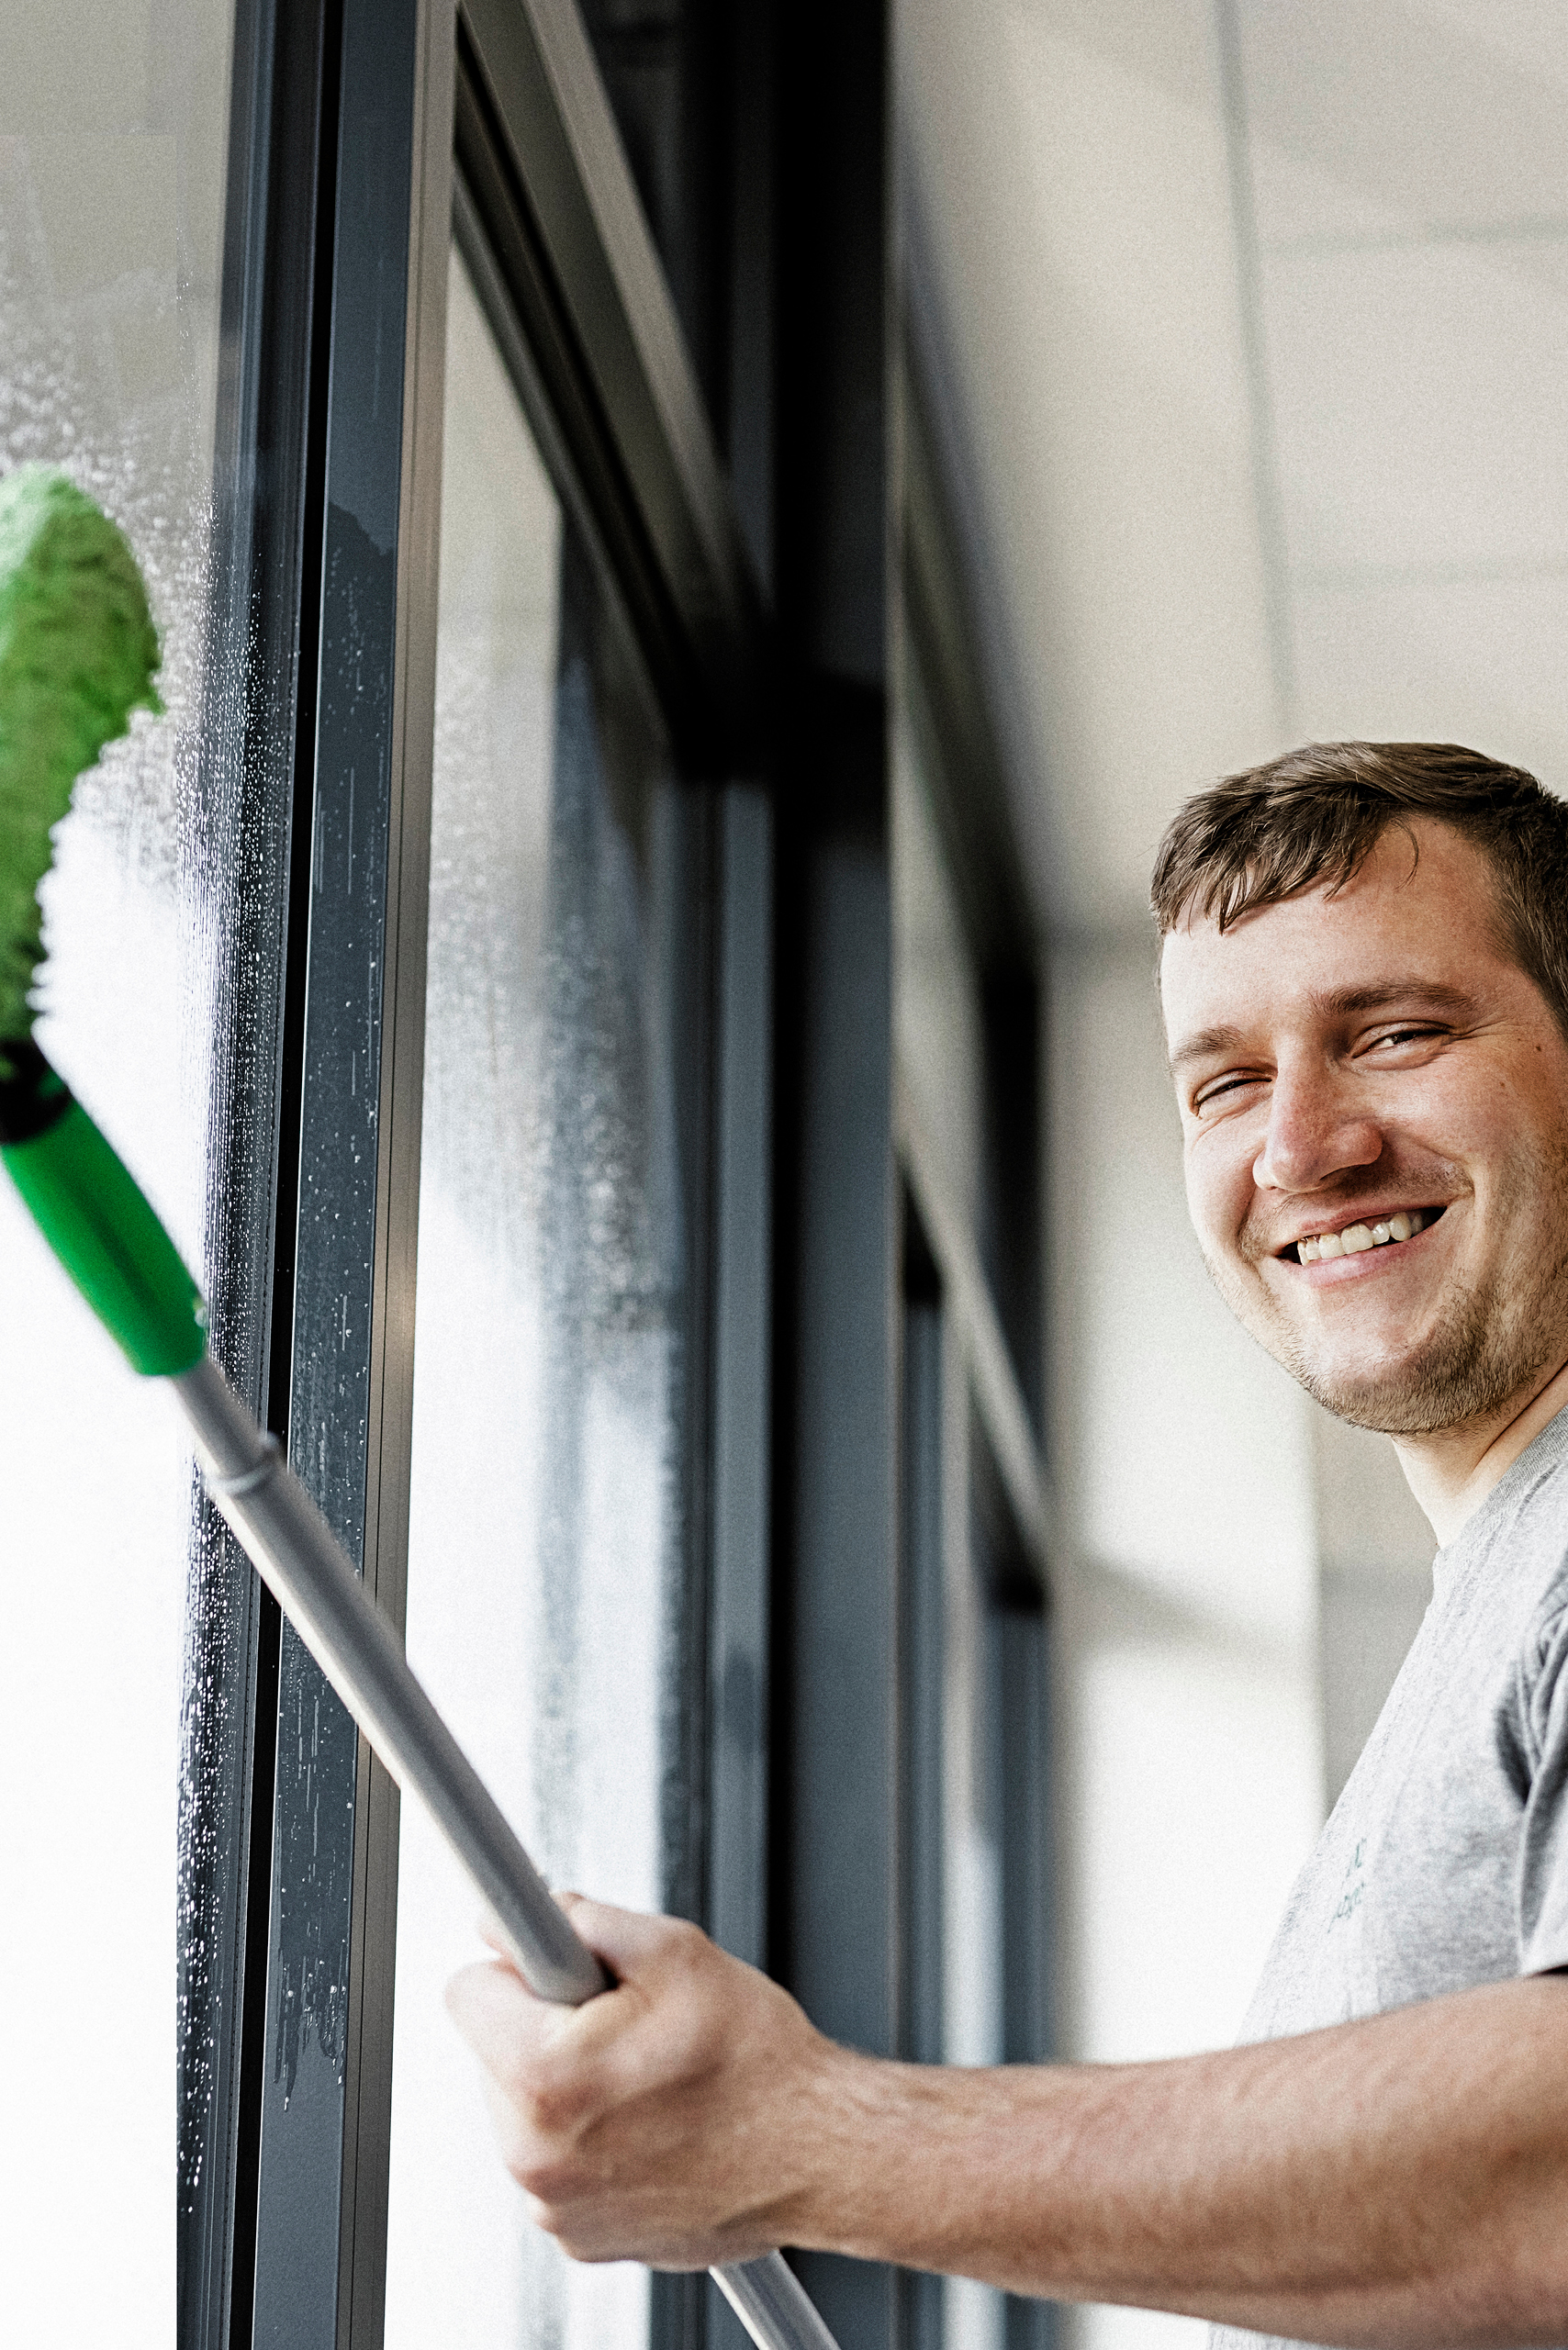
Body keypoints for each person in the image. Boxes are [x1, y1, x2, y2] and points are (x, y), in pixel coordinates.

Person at [448, 742, 1568, 2348]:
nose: (1299, 1148)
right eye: (1226, 1082)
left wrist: (804, 2139)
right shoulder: (1489, 1611)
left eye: (1395, 1034)